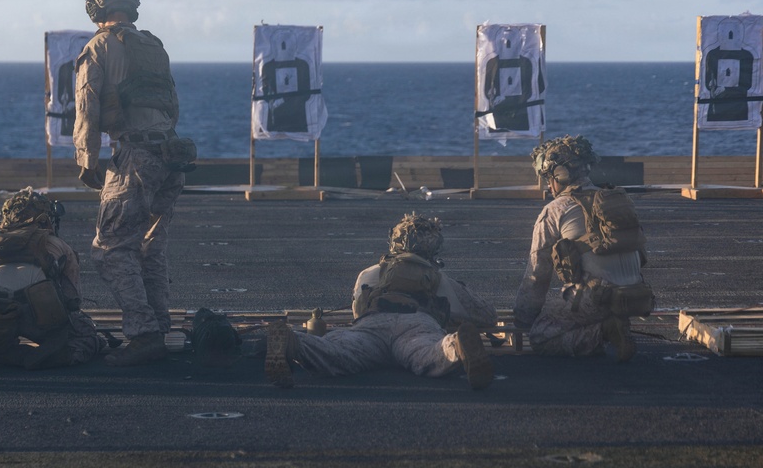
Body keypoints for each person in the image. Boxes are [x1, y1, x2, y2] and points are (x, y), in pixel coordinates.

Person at [73, 0, 196, 366]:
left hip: (135, 156)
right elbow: (172, 104)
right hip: (171, 155)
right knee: (150, 247)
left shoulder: (99, 47)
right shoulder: (154, 45)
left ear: (98, 9)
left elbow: (87, 105)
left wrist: (86, 160)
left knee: (110, 248)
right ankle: (160, 327)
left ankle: (143, 335)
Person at [264, 213, 496, 390]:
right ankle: (456, 346)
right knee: (428, 355)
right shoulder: (441, 279)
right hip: (417, 325)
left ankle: (296, 343)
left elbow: (358, 313)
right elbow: (485, 316)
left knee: (339, 351)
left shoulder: (369, 273)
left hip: (373, 324)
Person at [513, 135, 655, 361]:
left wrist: (523, 319)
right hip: (636, 294)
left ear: (560, 174)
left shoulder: (555, 210)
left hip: (597, 296)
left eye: (549, 177)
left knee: (541, 337)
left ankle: (602, 331)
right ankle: (613, 323)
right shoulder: (615, 199)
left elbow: (538, 273)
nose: (549, 185)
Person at [0, 188, 105, 369]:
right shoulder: (57, 244)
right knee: (87, 336)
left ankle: (8, 354)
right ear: (45, 217)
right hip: (37, 317)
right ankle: (50, 356)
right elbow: (72, 299)